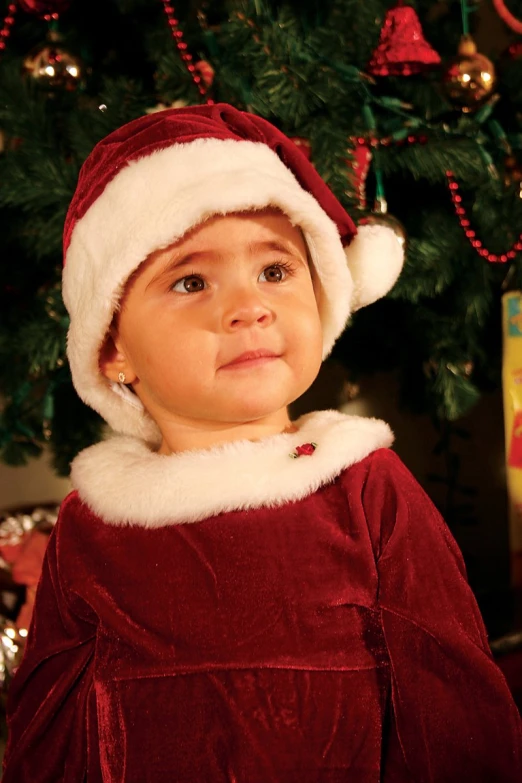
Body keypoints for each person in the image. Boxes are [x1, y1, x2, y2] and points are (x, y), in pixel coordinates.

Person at [2, 104, 521, 782]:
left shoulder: (366, 487)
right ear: (111, 348)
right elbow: (49, 731)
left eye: (275, 271)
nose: (249, 307)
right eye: (191, 281)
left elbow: (452, 703)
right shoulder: (92, 527)